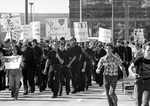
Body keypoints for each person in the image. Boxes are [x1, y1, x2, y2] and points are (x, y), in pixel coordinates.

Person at [129, 42, 150, 106]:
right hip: (139, 83)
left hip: (148, 83)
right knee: (138, 103)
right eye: (148, 50)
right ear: (144, 50)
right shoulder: (139, 59)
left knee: (145, 103)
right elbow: (130, 68)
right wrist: (133, 74)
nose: (149, 52)